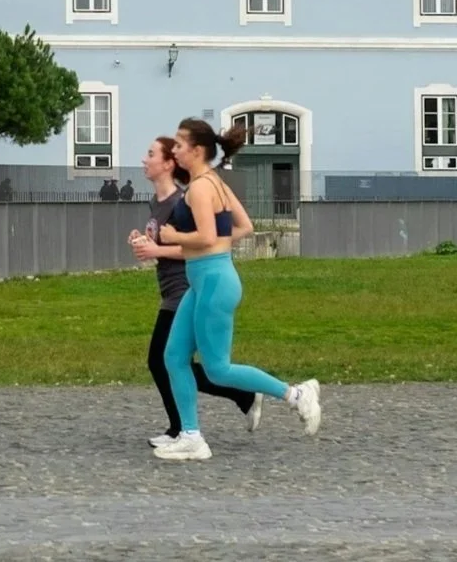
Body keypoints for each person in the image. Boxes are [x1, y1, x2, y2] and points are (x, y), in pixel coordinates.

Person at [151, 117, 321, 462]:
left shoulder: (200, 188)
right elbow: (243, 227)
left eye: (181, 145)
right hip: (204, 281)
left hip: (214, 282)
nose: (176, 150)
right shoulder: (214, 182)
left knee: (217, 369)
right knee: (172, 357)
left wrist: (172, 238)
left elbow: (207, 237)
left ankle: (295, 394)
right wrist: (209, 249)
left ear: (197, 151)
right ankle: (191, 436)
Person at [129, 137, 258, 447]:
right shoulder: (157, 202)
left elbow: (201, 242)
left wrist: (158, 248)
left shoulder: (182, 200)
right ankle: (192, 422)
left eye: (151, 154)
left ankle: (187, 426)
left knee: (168, 361)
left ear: (168, 164)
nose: (144, 160)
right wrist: (144, 242)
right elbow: (163, 241)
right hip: (170, 289)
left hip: (187, 287)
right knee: (171, 360)